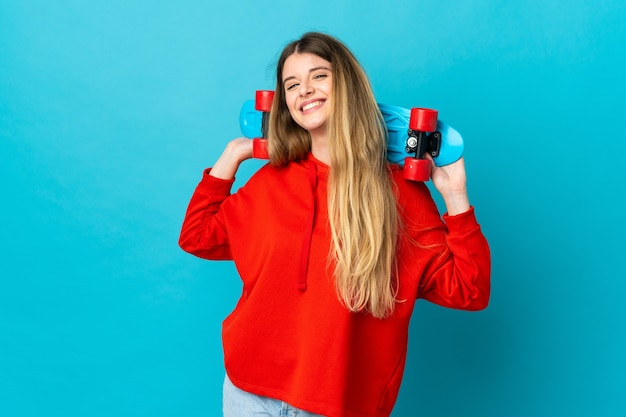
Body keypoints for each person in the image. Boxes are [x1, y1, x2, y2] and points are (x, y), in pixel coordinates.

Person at [179, 31, 490, 417]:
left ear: (346, 83)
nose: (304, 90)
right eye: (292, 84)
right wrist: (233, 154)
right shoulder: (272, 181)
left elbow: (469, 290)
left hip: (337, 404)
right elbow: (197, 237)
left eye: (318, 76)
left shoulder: (399, 194)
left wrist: (456, 198)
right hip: (248, 391)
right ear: (285, 103)